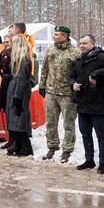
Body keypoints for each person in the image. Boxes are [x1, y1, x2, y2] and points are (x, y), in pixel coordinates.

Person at [69, 34, 104, 174]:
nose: (81, 46)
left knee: (100, 134)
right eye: (80, 43)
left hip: (97, 103)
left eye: (85, 43)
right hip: (82, 102)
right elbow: (71, 76)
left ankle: (103, 163)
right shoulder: (79, 59)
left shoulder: (100, 56)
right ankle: (89, 160)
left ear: (92, 44)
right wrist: (73, 84)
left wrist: (96, 73)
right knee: (85, 134)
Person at [38, 25, 81, 163]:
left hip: (67, 94)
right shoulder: (50, 50)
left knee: (68, 123)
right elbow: (44, 69)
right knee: (50, 122)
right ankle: (52, 147)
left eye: (57, 34)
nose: (54, 36)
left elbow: (79, 73)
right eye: (54, 34)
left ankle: (67, 149)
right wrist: (42, 85)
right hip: (51, 92)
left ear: (65, 36)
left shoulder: (75, 52)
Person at [5, 33, 35, 156]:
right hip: (15, 91)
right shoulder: (18, 59)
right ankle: (20, 146)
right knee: (15, 119)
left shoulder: (24, 59)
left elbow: (22, 80)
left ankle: (25, 147)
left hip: (19, 93)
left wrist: (17, 97)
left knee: (19, 119)